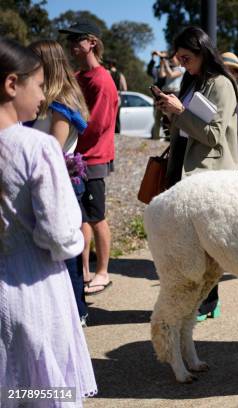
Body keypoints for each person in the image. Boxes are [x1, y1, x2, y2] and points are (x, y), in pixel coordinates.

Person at [0, 36, 97, 405]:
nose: (43, 96)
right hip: (35, 290)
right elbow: (60, 235)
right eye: (39, 85)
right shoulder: (35, 147)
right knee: (42, 390)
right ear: (12, 84)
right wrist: (74, 241)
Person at [156, 26, 238, 321]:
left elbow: (213, 135)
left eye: (186, 57)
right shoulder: (192, 81)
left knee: (209, 246)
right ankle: (200, 299)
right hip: (185, 168)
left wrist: (180, 112)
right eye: (178, 58)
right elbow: (187, 127)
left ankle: (207, 301)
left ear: (203, 51)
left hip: (210, 175)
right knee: (192, 245)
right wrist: (169, 110)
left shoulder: (222, 85)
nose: (182, 63)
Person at [28, 39, 91, 326]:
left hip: (60, 184)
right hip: (50, 183)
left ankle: (76, 313)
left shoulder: (61, 104)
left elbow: (54, 147)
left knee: (66, 256)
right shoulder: (48, 100)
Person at [59, 20, 119, 294]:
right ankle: (82, 271)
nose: (71, 45)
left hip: (93, 159)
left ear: (91, 42)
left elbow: (98, 125)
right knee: (80, 217)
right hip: (76, 158)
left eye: (76, 39)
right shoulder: (78, 77)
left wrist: (65, 133)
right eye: (68, 40)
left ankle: (103, 271)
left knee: (96, 217)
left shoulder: (102, 80)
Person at [107, 60, 126, 134]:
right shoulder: (120, 75)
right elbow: (124, 88)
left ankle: (109, 132)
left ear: (111, 64)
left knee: (108, 115)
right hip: (117, 96)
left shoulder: (107, 72)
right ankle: (117, 132)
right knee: (117, 115)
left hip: (109, 97)